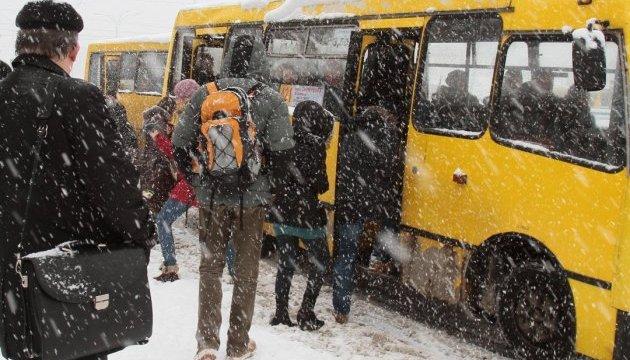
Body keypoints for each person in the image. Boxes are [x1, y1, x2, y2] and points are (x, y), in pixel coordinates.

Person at [0, 2, 154, 359]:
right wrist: (137, 240)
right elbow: (116, 189)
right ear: (73, 49)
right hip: (60, 287)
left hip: (9, 282)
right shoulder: (77, 98)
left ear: (21, 44)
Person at [173, 77, 294, 360]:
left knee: (210, 269)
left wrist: (198, 183)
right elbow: (283, 152)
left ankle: (207, 344)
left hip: (212, 199)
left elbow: (180, 143)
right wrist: (269, 188)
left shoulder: (206, 93)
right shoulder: (271, 98)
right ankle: (238, 345)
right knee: (246, 273)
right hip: (251, 203)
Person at [333, 106, 401, 325]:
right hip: (376, 205)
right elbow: (391, 173)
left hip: (350, 206)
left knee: (346, 256)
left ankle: (341, 309)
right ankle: (379, 256)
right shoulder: (389, 143)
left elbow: (343, 171)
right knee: (390, 223)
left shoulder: (351, 140)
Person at [270, 101, 333, 331]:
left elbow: (274, 176)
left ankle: (281, 314)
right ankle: (306, 312)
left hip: (281, 213)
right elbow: (321, 184)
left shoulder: (281, 140)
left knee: (286, 263)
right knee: (320, 262)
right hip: (307, 215)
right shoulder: (316, 144)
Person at [150, 83, 200, 282]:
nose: (177, 101)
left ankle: (170, 265)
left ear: (186, 98)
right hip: (206, 181)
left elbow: (178, 154)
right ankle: (235, 271)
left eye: (179, 97)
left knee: (163, 220)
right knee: (218, 229)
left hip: (191, 182)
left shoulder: (189, 120)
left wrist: (159, 138)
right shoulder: (202, 115)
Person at [104, 85, 138, 156]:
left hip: (116, 136)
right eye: (107, 97)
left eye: (109, 97)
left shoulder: (117, 107)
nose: (108, 99)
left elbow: (121, 123)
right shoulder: (106, 107)